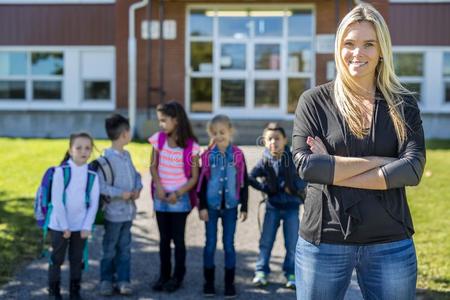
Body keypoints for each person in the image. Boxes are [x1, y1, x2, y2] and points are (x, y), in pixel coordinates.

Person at [292, 4, 425, 300]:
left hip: (390, 241)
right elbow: (306, 167)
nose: (357, 53)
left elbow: (413, 169)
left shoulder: (403, 104)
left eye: (368, 44)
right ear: (339, 48)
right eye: (349, 44)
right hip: (323, 241)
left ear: (381, 50)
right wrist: (380, 163)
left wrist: (333, 168)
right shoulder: (314, 101)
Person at [149, 101, 200, 293]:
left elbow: (194, 177)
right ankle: (164, 275)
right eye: (159, 120)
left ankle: (177, 277)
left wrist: (177, 193)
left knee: (178, 240)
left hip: (180, 200)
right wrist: (160, 188)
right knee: (163, 240)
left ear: (176, 120)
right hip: (160, 198)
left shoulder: (191, 147)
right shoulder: (158, 140)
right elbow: (153, 166)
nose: (161, 124)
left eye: (163, 120)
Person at [196, 114, 249, 298]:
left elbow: (244, 180)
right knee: (210, 243)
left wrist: (245, 206)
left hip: (231, 206)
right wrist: (201, 206)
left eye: (223, 132)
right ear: (211, 134)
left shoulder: (238, 154)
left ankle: (229, 283)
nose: (219, 136)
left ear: (230, 131)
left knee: (229, 244)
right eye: (215, 133)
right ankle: (208, 282)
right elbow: (201, 182)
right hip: (210, 206)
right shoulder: (207, 155)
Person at [249, 122, 306, 290]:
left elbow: (305, 177)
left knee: (292, 243)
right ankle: (261, 271)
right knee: (266, 241)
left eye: (277, 139)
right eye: (269, 139)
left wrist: (294, 187)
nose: (273, 142)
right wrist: (266, 188)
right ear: (265, 142)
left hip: (291, 207)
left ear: (285, 140)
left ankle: (291, 273)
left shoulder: (294, 158)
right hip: (272, 207)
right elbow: (250, 177)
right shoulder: (264, 161)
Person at [47, 132, 100, 300]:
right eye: (79, 147)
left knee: (77, 260)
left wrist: (86, 226)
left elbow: (93, 204)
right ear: (70, 150)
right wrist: (64, 226)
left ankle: (75, 292)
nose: (83, 151)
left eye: (87, 148)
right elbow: (57, 201)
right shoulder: (60, 172)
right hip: (59, 225)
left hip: (80, 226)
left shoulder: (92, 175)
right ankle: (54, 292)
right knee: (57, 259)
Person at [99, 114, 143, 296]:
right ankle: (106, 281)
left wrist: (138, 187)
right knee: (109, 249)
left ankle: (124, 280)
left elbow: (136, 175)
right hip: (113, 214)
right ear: (125, 134)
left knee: (125, 249)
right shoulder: (106, 160)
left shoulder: (127, 156)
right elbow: (101, 186)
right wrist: (120, 194)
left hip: (128, 213)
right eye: (130, 130)